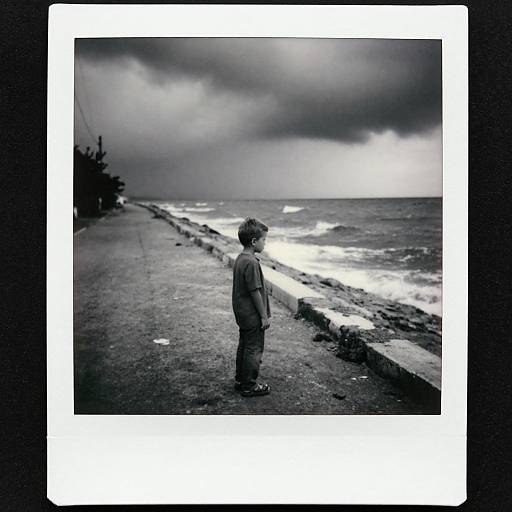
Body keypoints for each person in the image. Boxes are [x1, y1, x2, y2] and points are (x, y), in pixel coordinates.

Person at [232, 218, 271, 397]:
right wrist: (263, 316)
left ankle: (240, 379)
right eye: (264, 239)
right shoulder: (252, 262)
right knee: (254, 349)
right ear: (254, 241)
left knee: (244, 346)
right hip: (253, 315)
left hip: (242, 313)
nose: (265, 243)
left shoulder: (241, 258)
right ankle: (250, 385)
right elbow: (255, 291)